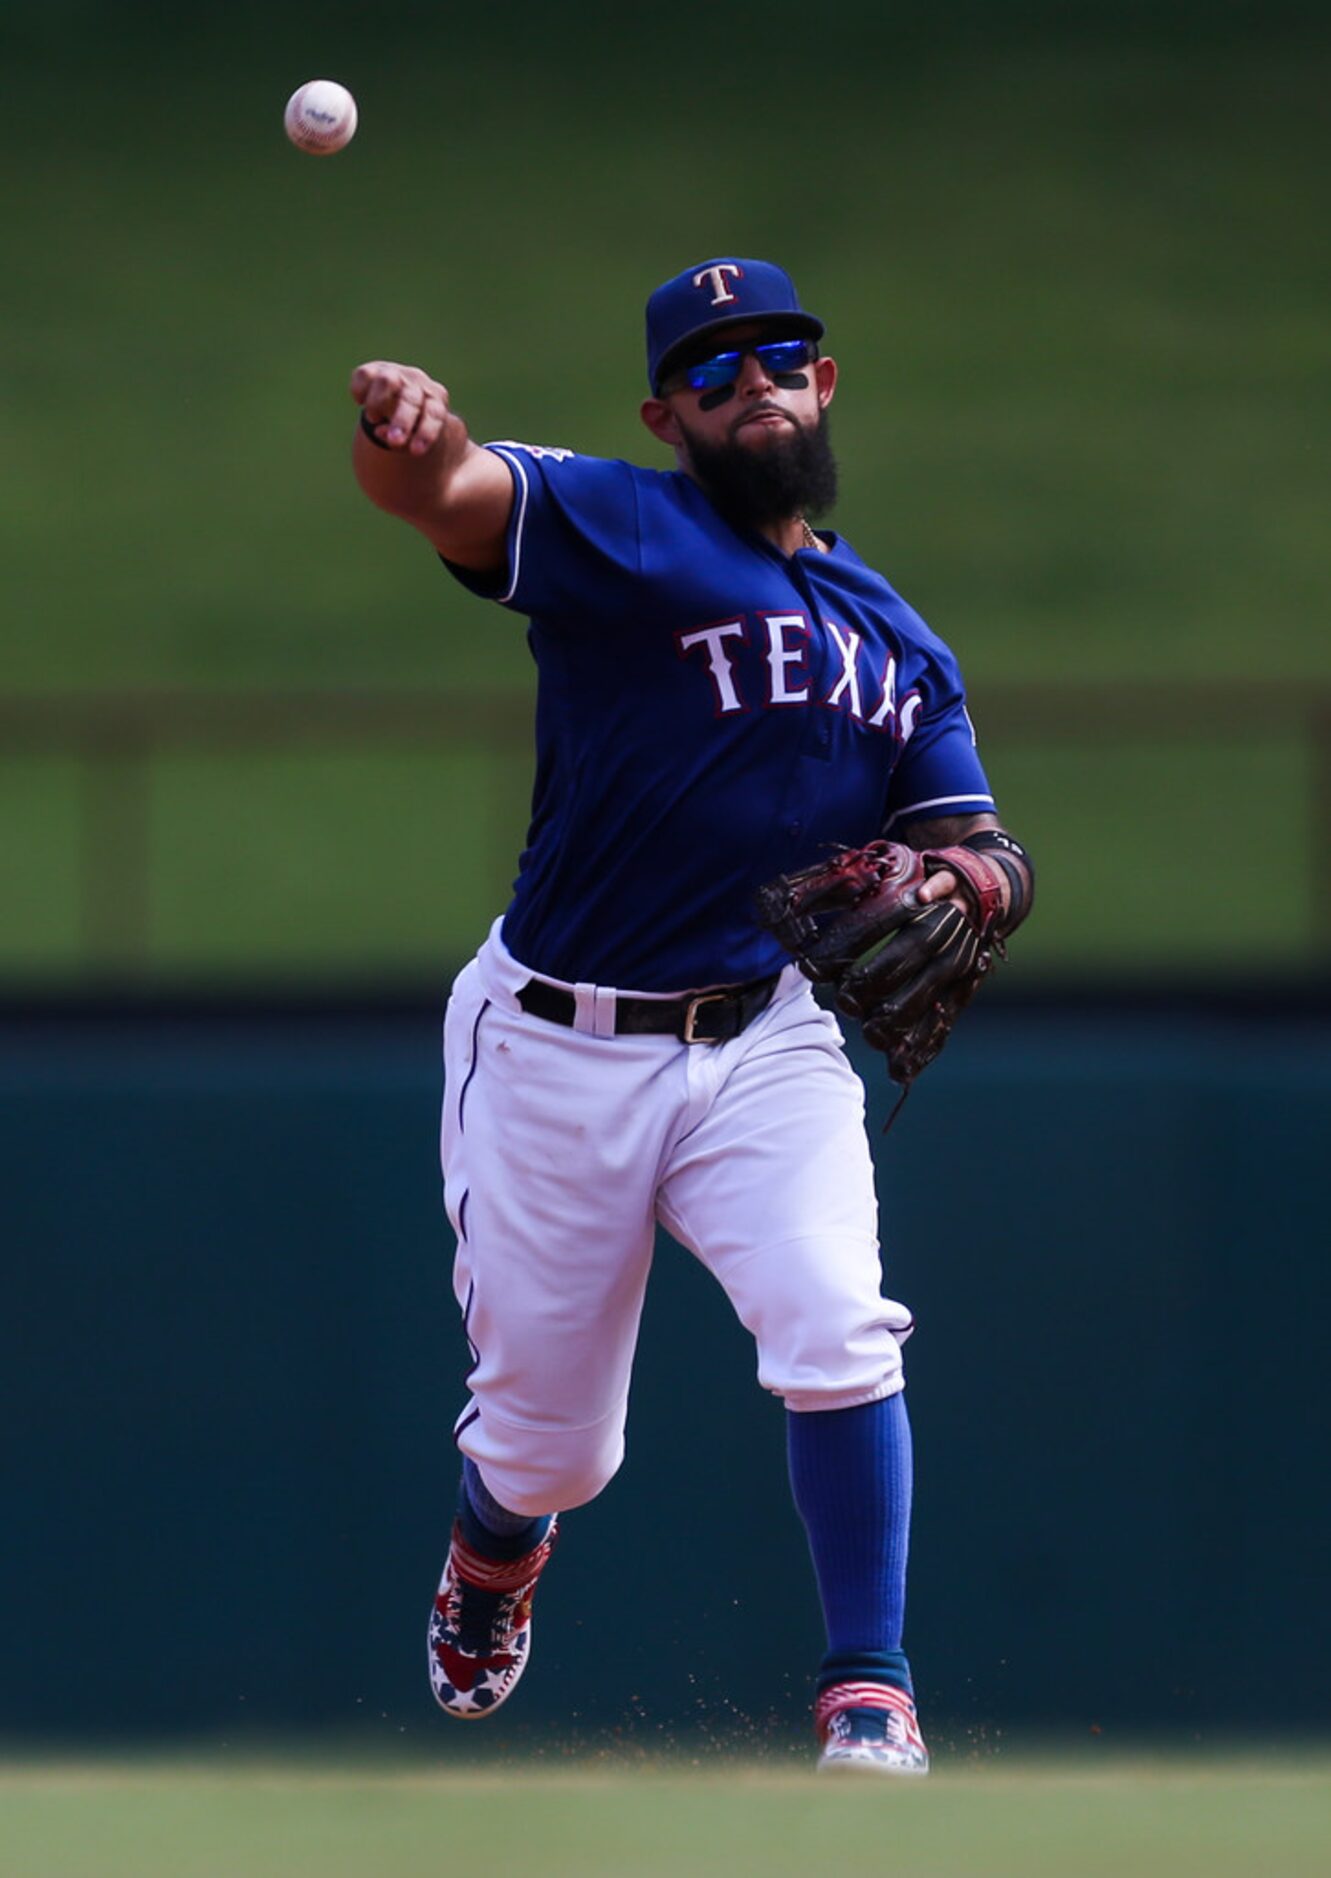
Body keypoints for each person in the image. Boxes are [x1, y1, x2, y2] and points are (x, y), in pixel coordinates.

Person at [349, 257, 1033, 1774]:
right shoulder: (621, 523)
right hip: (550, 1042)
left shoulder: (902, 643)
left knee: (839, 1324)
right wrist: (405, 441)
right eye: (712, 375)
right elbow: (450, 493)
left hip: (765, 1040)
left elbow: (981, 842)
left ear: (825, 381)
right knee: (552, 1447)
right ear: (669, 415)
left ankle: (870, 1685)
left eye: (777, 354)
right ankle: (494, 1543)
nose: (753, 387)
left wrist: (979, 882)